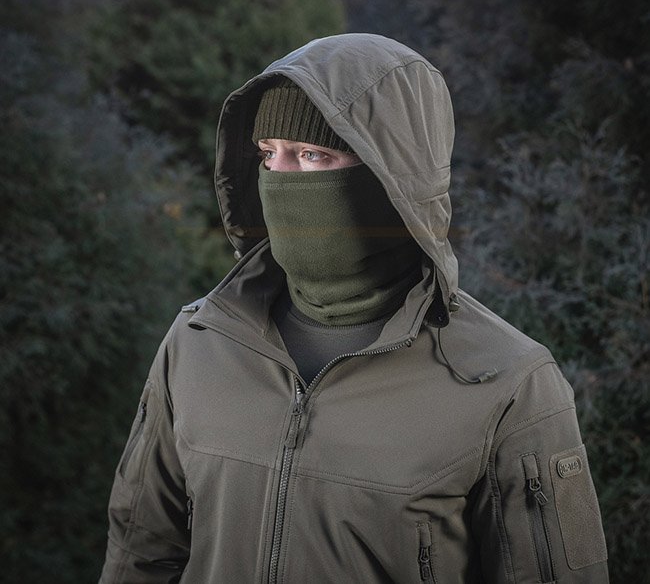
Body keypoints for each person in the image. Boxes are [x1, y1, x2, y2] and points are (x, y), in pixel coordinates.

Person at [99, 33, 609, 583]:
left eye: (313, 155)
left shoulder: (506, 381)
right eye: (269, 154)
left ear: (391, 178)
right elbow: (140, 555)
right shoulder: (200, 340)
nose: (280, 178)